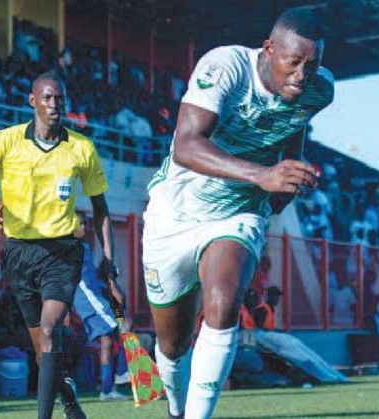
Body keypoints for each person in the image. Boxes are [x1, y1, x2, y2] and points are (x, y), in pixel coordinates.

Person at [141, 7, 334, 418]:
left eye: (312, 65)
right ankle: (177, 409)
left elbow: (294, 121)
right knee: (172, 344)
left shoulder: (320, 89)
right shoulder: (225, 65)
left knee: (224, 300)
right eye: (294, 62)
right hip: (174, 212)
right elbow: (186, 146)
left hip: (239, 211)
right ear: (268, 50)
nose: (303, 74)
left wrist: (292, 169)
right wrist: (264, 173)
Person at [0, 71, 116, 419]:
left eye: (60, 99)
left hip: (63, 253)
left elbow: (101, 211)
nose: (55, 105)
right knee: (42, 349)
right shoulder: (5, 141)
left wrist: (110, 263)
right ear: (33, 100)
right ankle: (67, 395)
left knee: (52, 329)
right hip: (20, 255)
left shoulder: (82, 148)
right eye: (48, 98)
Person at [71, 213, 129, 401]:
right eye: (80, 224)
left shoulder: (85, 246)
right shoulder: (70, 248)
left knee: (107, 341)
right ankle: (123, 371)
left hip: (94, 296)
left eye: (85, 223)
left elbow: (92, 274)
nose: (84, 226)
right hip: (88, 299)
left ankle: (106, 390)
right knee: (123, 325)